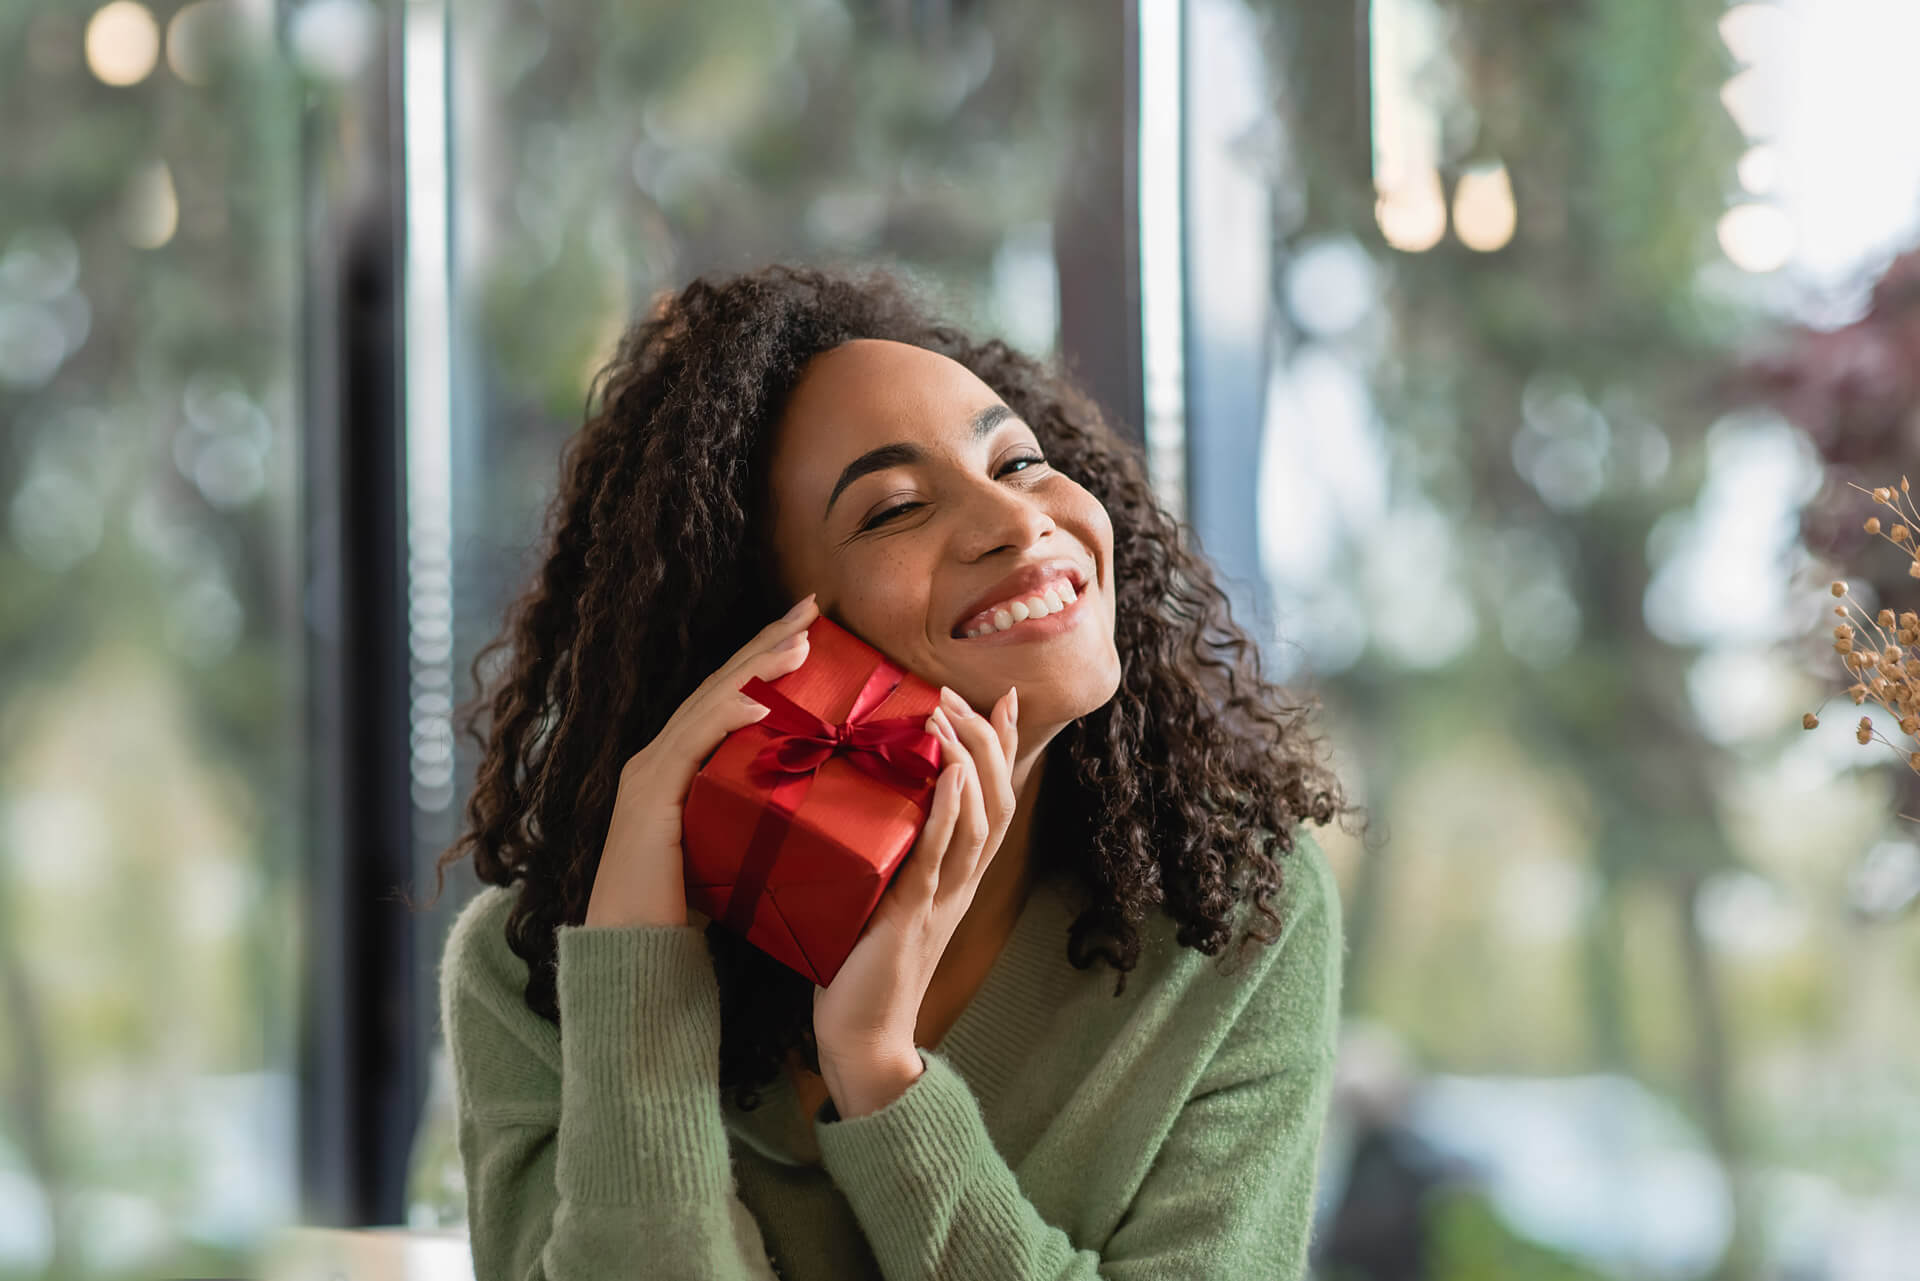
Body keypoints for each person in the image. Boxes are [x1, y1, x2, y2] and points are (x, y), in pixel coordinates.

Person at [423, 262, 1356, 1280]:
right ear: (760, 637)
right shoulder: (535, 976)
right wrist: (640, 991)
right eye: (893, 509)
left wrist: (879, 1073)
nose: (1018, 522)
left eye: (1016, 462)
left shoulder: (1228, 913)